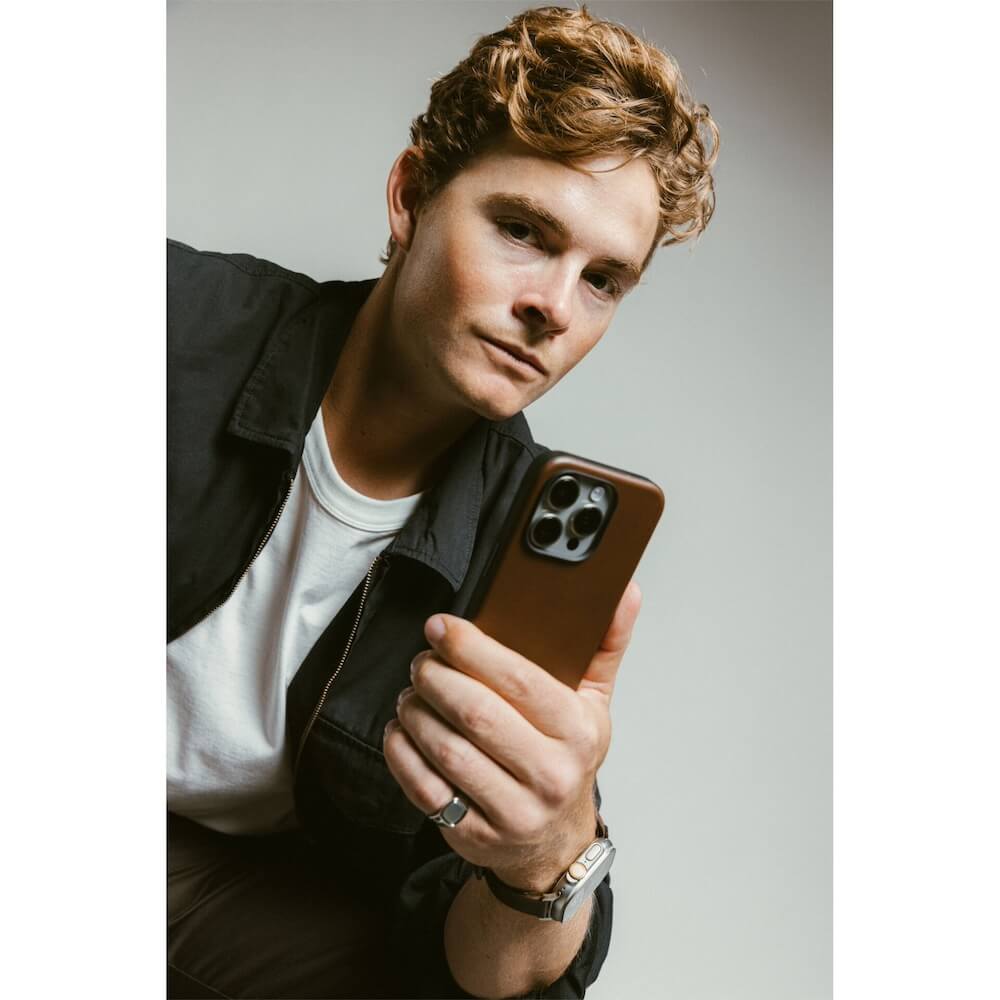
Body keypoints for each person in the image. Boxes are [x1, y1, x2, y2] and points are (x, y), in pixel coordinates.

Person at [167, 5, 718, 998]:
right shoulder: (171, 318)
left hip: (218, 890)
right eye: (523, 231)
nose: (553, 306)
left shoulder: (520, 546)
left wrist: (547, 853)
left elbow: (493, 972)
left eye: (602, 280)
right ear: (411, 195)